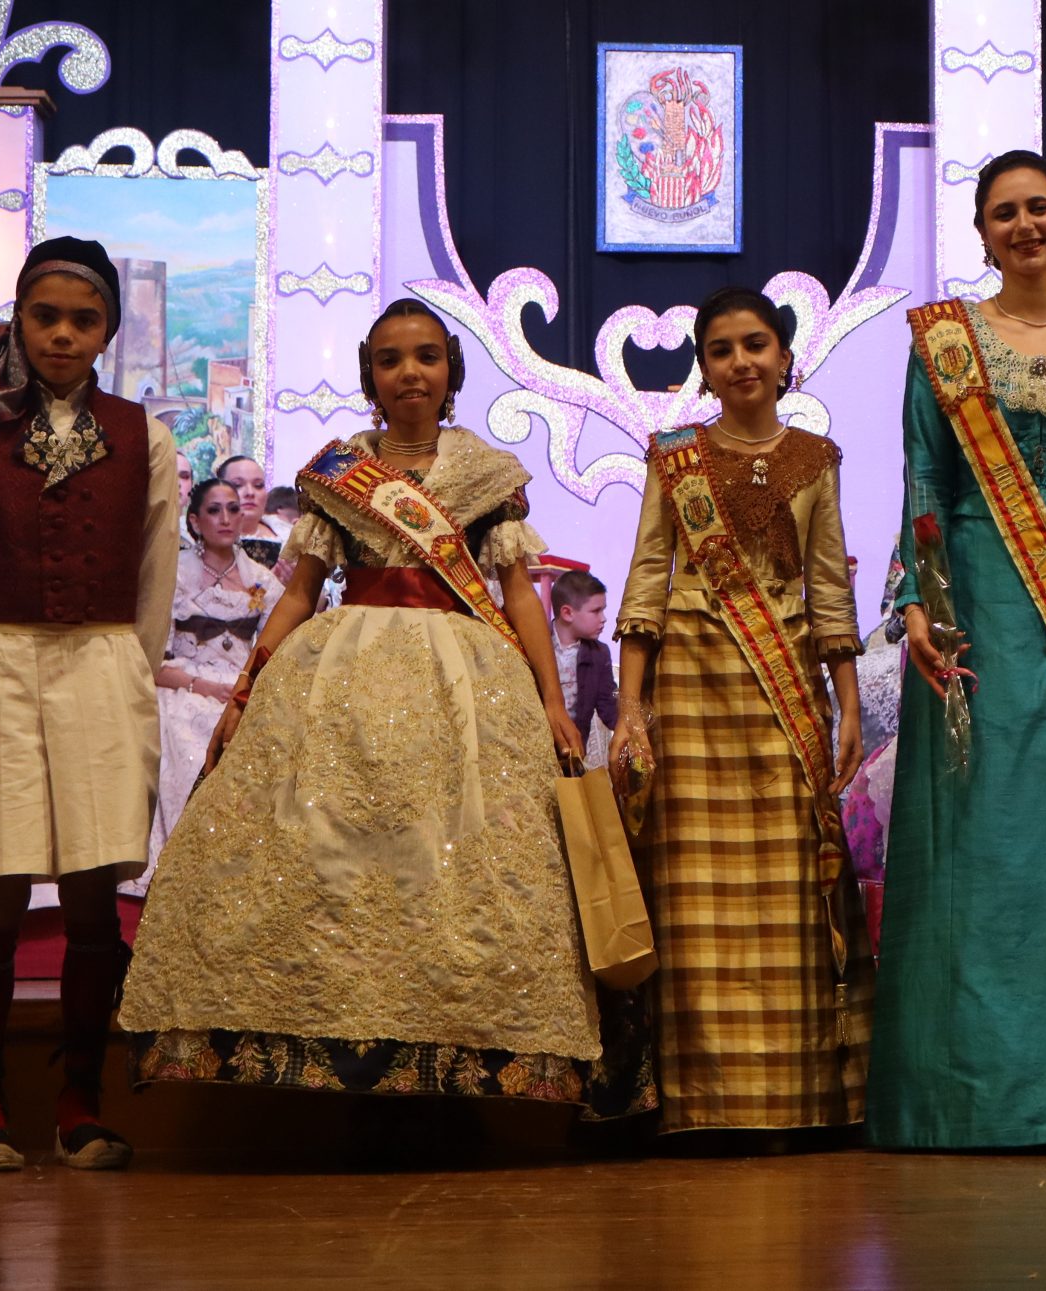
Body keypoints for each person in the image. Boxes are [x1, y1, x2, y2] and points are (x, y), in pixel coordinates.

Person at [120, 298, 650, 1125]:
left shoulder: (489, 475)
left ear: (451, 372)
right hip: (341, 674)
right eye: (392, 358)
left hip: (468, 684)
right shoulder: (339, 472)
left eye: (427, 356)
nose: (410, 372)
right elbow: (300, 592)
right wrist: (249, 687)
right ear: (371, 374)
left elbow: (517, 594)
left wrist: (552, 699)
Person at [870, 150, 1046, 1149]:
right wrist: (919, 600)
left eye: (1040, 208)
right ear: (984, 233)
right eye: (1005, 212)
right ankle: (956, 1096)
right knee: (973, 820)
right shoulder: (944, 341)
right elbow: (925, 478)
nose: (1025, 225)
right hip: (974, 602)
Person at [0, 237, 178, 1173]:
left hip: (106, 661)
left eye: (84, 319)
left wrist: (123, 666)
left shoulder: (144, 435)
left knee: (90, 885)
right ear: (22, 320)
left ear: (109, 329)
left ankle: (81, 1097)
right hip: (3, 656)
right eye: (46, 316)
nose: (64, 335)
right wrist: (3, 644)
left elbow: (155, 573)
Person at [614, 286, 872, 1136]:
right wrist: (631, 709)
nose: (741, 361)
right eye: (721, 349)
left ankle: (792, 1098)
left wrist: (847, 707)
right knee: (693, 894)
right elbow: (646, 578)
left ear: (785, 356)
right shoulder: (674, 457)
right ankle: (700, 1102)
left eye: (755, 343)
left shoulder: (817, 457)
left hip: (784, 683)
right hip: (691, 687)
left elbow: (829, 589)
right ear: (705, 366)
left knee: (789, 884)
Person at [138, 478, 281, 881]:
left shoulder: (261, 578)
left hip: (240, 685)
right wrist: (198, 686)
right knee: (186, 731)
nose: (226, 518)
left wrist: (242, 688)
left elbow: (272, 648)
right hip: (183, 682)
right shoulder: (174, 574)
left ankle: (241, 864)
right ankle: (183, 863)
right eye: (214, 510)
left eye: (233, 509)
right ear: (195, 521)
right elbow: (150, 659)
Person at [548, 567, 619, 769]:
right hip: (539, 749)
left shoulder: (599, 654)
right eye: (596, 611)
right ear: (568, 613)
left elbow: (608, 706)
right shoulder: (539, 645)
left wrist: (631, 727)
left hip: (574, 756)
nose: (604, 618)